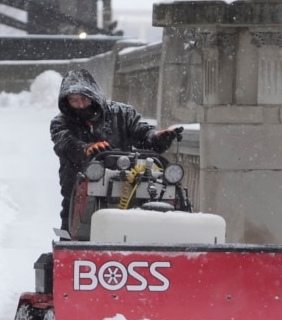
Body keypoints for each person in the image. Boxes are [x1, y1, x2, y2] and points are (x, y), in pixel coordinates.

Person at [50, 68, 184, 231]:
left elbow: (142, 134)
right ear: (67, 102)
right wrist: (86, 149)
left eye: (84, 99)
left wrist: (157, 138)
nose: (80, 105)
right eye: (74, 100)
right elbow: (64, 143)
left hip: (125, 185)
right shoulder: (60, 122)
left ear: (94, 95)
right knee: (74, 230)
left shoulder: (122, 114)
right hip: (77, 191)